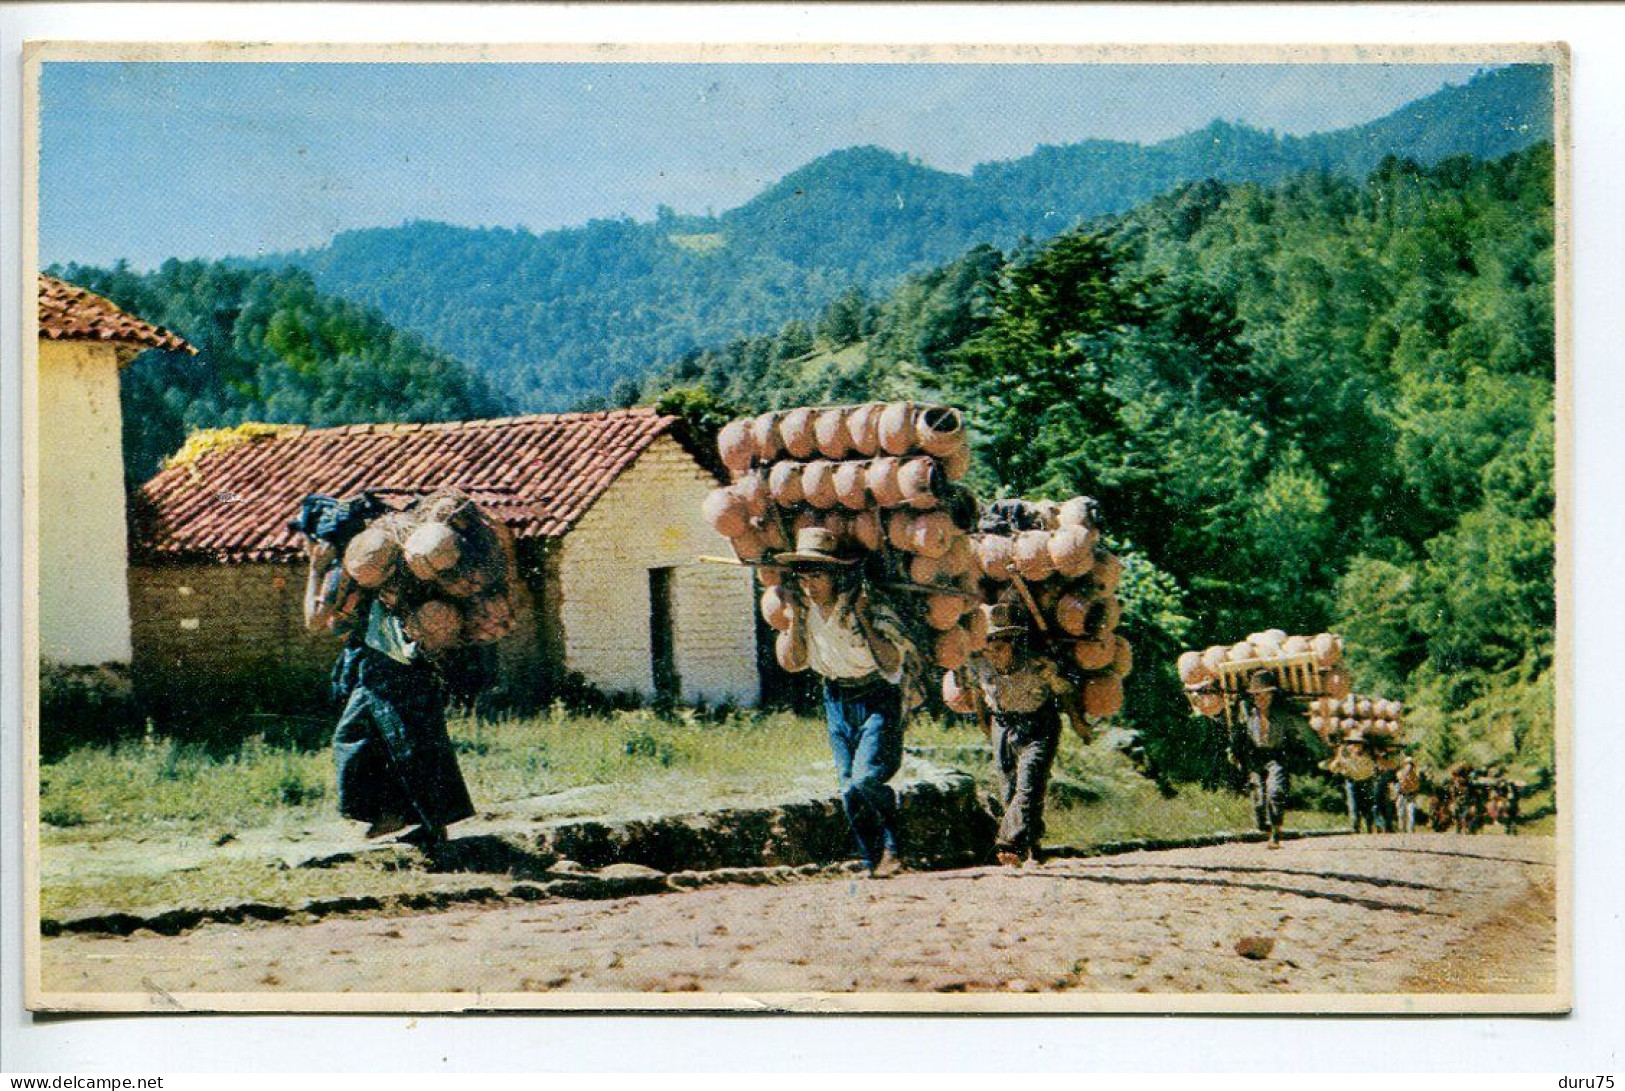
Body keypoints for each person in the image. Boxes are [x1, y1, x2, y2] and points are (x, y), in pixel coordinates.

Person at [303, 535, 474, 848]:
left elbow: (314, 622)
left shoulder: (342, 575)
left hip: (385, 666)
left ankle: (405, 818)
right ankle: (410, 819)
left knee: (361, 737)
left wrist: (315, 571)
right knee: (410, 738)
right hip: (418, 662)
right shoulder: (406, 567)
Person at [778, 527, 919, 878]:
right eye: (803, 574)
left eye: (817, 573)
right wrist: (795, 619)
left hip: (876, 697)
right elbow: (793, 663)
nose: (809, 583)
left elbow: (892, 664)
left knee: (865, 779)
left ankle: (893, 848)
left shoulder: (868, 606)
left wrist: (863, 618)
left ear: (837, 573)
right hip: (836, 699)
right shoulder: (804, 612)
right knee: (847, 789)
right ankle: (872, 861)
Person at [968, 603, 1091, 867]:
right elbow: (978, 695)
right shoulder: (980, 665)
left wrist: (1078, 722)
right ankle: (1032, 844)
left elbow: (1064, 692)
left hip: (1038, 724)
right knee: (1009, 788)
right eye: (987, 648)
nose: (993, 655)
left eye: (998, 648)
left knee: (1029, 782)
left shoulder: (1038, 664)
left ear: (1012, 643)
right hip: (1001, 725)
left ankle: (1009, 844)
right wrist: (984, 725)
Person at [1229, 669, 1302, 849]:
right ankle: (1263, 825)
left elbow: (1294, 736)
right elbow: (1237, 733)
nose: (1260, 699)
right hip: (1254, 757)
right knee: (1259, 798)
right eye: (1257, 695)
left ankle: (1276, 835)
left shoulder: (1282, 713)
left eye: (1265, 695)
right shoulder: (1246, 710)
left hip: (1276, 756)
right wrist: (1235, 753)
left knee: (1276, 792)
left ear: (1272, 695)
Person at [1393, 755, 1422, 833]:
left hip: (1410, 796)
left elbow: (1417, 787)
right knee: (1401, 814)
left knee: (1411, 813)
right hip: (1402, 795)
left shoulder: (1415, 776)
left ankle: (1410, 830)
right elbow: (1398, 785)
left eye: (1411, 764)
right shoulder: (1400, 774)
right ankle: (1402, 829)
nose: (1409, 766)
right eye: (1408, 764)